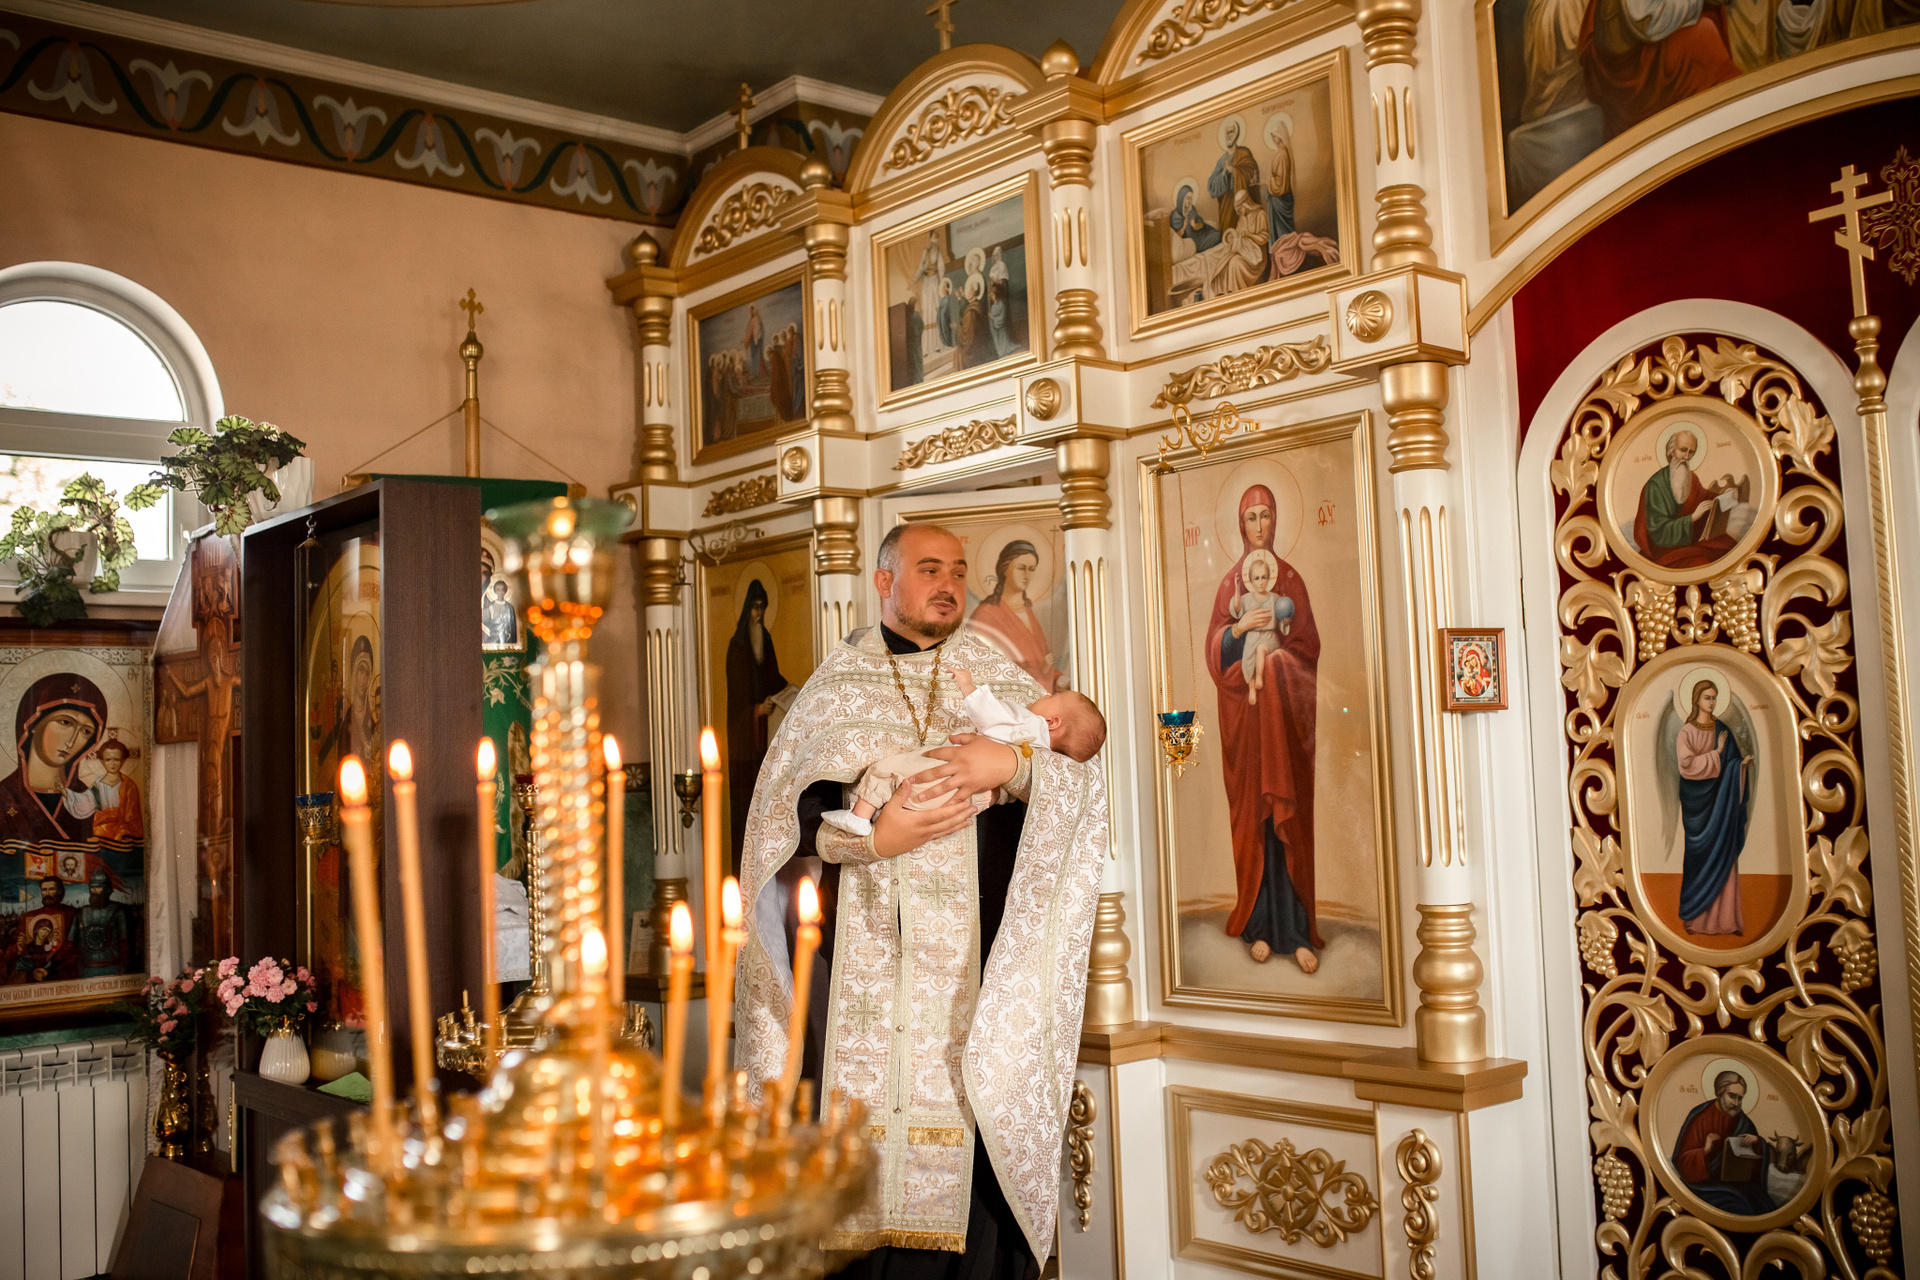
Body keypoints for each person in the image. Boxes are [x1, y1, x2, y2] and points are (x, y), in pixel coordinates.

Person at [736, 521, 1107, 1280]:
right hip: (852, 974)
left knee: (978, 1184)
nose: (948, 585)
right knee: (850, 1183)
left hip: (978, 977)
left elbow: (1079, 790)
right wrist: (872, 841)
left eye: (958, 571)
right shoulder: (834, 687)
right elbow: (775, 818)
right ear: (884, 581)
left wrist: (1009, 764)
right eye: (929, 569)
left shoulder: (1000, 679)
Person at [1206, 486, 1323, 972]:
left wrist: (1276, 663)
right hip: (1247, 728)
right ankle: (1257, 927)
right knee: (1255, 820)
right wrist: (1236, 631)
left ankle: (1296, 933)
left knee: (1286, 819)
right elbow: (1216, 656)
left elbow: (1308, 649)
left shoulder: (1290, 581)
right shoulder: (1230, 586)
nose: (1258, 526)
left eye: (1265, 516)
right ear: (1241, 524)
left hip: (1284, 727)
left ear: (1276, 520)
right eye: (1250, 517)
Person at [820, 668, 1106, 836]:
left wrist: (968, 686)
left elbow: (989, 715)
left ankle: (859, 817)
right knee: (921, 800)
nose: (1044, 694)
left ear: (1053, 722)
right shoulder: (1042, 746)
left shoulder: (1030, 722)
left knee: (889, 771)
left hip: (949, 771)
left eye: (1054, 697)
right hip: (976, 800)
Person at [1578, 0, 1740, 138]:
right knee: (1703, 35)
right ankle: (1734, 111)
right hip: (1632, 66)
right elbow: (1647, 21)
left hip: (1635, 49)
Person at [725, 579, 793, 875]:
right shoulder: (737, 647)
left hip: (767, 741)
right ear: (746, 609)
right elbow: (735, 703)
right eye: (755, 608)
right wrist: (756, 711)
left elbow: (773, 678)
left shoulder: (764, 638)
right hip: (745, 747)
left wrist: (792, 692)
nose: (759, 614)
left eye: (763, 608)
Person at [1676, 679, 1752, 935]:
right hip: (1698, 808)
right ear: (1696, 700)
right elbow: (1686, 766)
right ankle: (1695, 919)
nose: (1712, 702)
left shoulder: (1723, 729)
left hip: (1722, 806)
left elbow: (1733, 762)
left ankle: (1727, 921)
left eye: (1714, 697)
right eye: (1707, 697)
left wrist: (1739, 767)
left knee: (1725, 854)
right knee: (1698, 860)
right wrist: (1716, 752)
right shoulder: (1686, 732)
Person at [1672, 1070, 1777, 1217]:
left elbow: (1754, 1165)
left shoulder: (1744, 1122)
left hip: (1737, 1183)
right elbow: (1681, 1160)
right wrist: (1704, 1151)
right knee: (1740, 1207)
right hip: (1705, 1184)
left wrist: (1757, 1142)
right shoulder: (1700, 1117)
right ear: (1720, 1093)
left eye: (1740, 1098)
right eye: (1732, 1096)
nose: (1736, 1103)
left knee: (1763, 1203)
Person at [1634, 429, 1742, 569]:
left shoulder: (1691, 477)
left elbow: (1704, 497)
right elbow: (1658, 532)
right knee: (1702, 563)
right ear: (1671, 451)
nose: (1687, 457)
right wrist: (1692, 518)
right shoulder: (1656, 485)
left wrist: (1726, 497)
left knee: (1730, 546)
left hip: (1691, 539)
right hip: (1663, 548)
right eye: (1683, 450)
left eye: (1691, 452)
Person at [969, 540, 1066, 692]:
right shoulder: (985, 616)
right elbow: (985, 674)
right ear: (1005, 569)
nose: (1026, 575)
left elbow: (1042, 660)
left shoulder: (1027, 611)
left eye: (1031, 569)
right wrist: (1041, 671)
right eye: (1021, 568)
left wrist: (1058, 679)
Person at [1229, 550, 1295, 706]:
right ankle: (1252, 687)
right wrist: (1237, 589)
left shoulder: (1275, 599)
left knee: (1261, 649)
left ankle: (1259, 678)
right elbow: (1236, 609)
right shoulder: (1246, 599)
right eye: (1256, 578)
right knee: (1247, 663)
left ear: (1269, 578)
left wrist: (1285, 623)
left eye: (1263, 577)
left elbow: (1280, 621)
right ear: (1251, 581)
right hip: (1251, 638)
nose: (1260, 582)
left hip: (1269, 637)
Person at [7, 877, 79, 983]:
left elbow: (74, 946)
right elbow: (13, 947)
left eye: (51, 889)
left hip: (61, 971)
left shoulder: (71, 913)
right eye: (44, 890)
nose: (47, 893)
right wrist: (18, 948)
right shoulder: (29, 916)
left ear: (60, 891)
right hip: (32, 973)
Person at [1207, 118, 1263, 230]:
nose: (1228, 136)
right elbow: (1211, 185)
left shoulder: (1243, 153)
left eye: (1231, 132)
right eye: (1227, 133)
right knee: (1228, 233)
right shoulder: (1222, 160)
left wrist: (1233, 170)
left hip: (1243, 201)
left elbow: (1251, 171)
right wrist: (1224, 173)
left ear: (1236, 134)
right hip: (1227, 204)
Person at [85, 739, 143, 844]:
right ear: (102, 762)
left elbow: (133, 819)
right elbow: (92, 816)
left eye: (116, 759)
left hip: (122, 836)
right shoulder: (96, 786)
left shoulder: (129, 786)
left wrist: (122, 833)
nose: (112, 764)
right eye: (108, 760)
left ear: (123, 761)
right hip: (99, 835)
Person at [76, 869, 132, 977]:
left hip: (112, 967)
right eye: (92, 887)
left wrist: (124, 965)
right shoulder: (82, 912)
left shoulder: (117, 911)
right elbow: (71, 943)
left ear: (107, 889)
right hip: (87, 968)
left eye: (98, 887)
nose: (94, 891)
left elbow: (124, 943)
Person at [483, 580, 519, 648]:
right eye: (498, 590)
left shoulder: (509, 607)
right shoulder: (491, 606)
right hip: (494, 639)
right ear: (495, 591)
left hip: (507, 640)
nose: (500, 592)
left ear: (505, 591)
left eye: (502, 590)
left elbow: (513, 625)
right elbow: (485, 620)